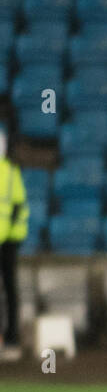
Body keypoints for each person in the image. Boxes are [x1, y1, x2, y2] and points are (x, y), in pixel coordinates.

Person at [0, 142, 27, 362]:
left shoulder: (9, 171)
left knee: (8, 288)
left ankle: (10, 338)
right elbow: (18, 205)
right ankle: (11, 339)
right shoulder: (11, 170)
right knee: (9, 288)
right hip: (10, 238)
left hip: (7, 240)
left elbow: (17, 206)